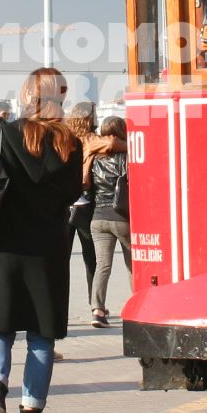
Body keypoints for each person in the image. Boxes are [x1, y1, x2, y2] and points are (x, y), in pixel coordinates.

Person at [0, 67, 85, 413]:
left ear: (26, 95)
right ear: (59, 97)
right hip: (48, 246)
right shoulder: (69, 141)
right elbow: (72, 192)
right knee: (41, 336)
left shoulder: (1, 133)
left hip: (4, 244)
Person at [87, 116, 132, 327]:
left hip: (98, 217)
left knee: (102, 266)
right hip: (121, 217)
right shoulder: (127, 156)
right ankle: (137, 307)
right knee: (133, 265)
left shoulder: (94, 158)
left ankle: (98, 311)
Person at [64, 102, 100, 291]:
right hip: (85, 203)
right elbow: (113, 143)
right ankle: (95, 303)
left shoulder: (63, 138)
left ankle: (58, 305)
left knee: (62, 258)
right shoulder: (92, 139)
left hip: (64, 204)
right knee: (90, 256)